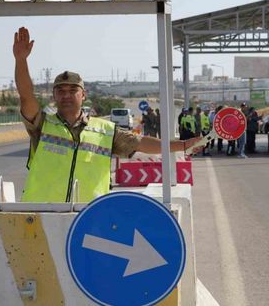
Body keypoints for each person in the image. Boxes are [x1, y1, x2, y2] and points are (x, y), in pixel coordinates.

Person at [13, 27, 201, 203]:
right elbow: (26, 96)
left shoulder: (105, 131)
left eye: (73, 90)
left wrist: (183, 145)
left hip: (87, 218)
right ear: (54, 95)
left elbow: (141, 142)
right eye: (60, 91)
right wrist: (21, 60)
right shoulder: (42, 124)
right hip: (41, 216)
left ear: (83, 95)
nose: (66, 95)